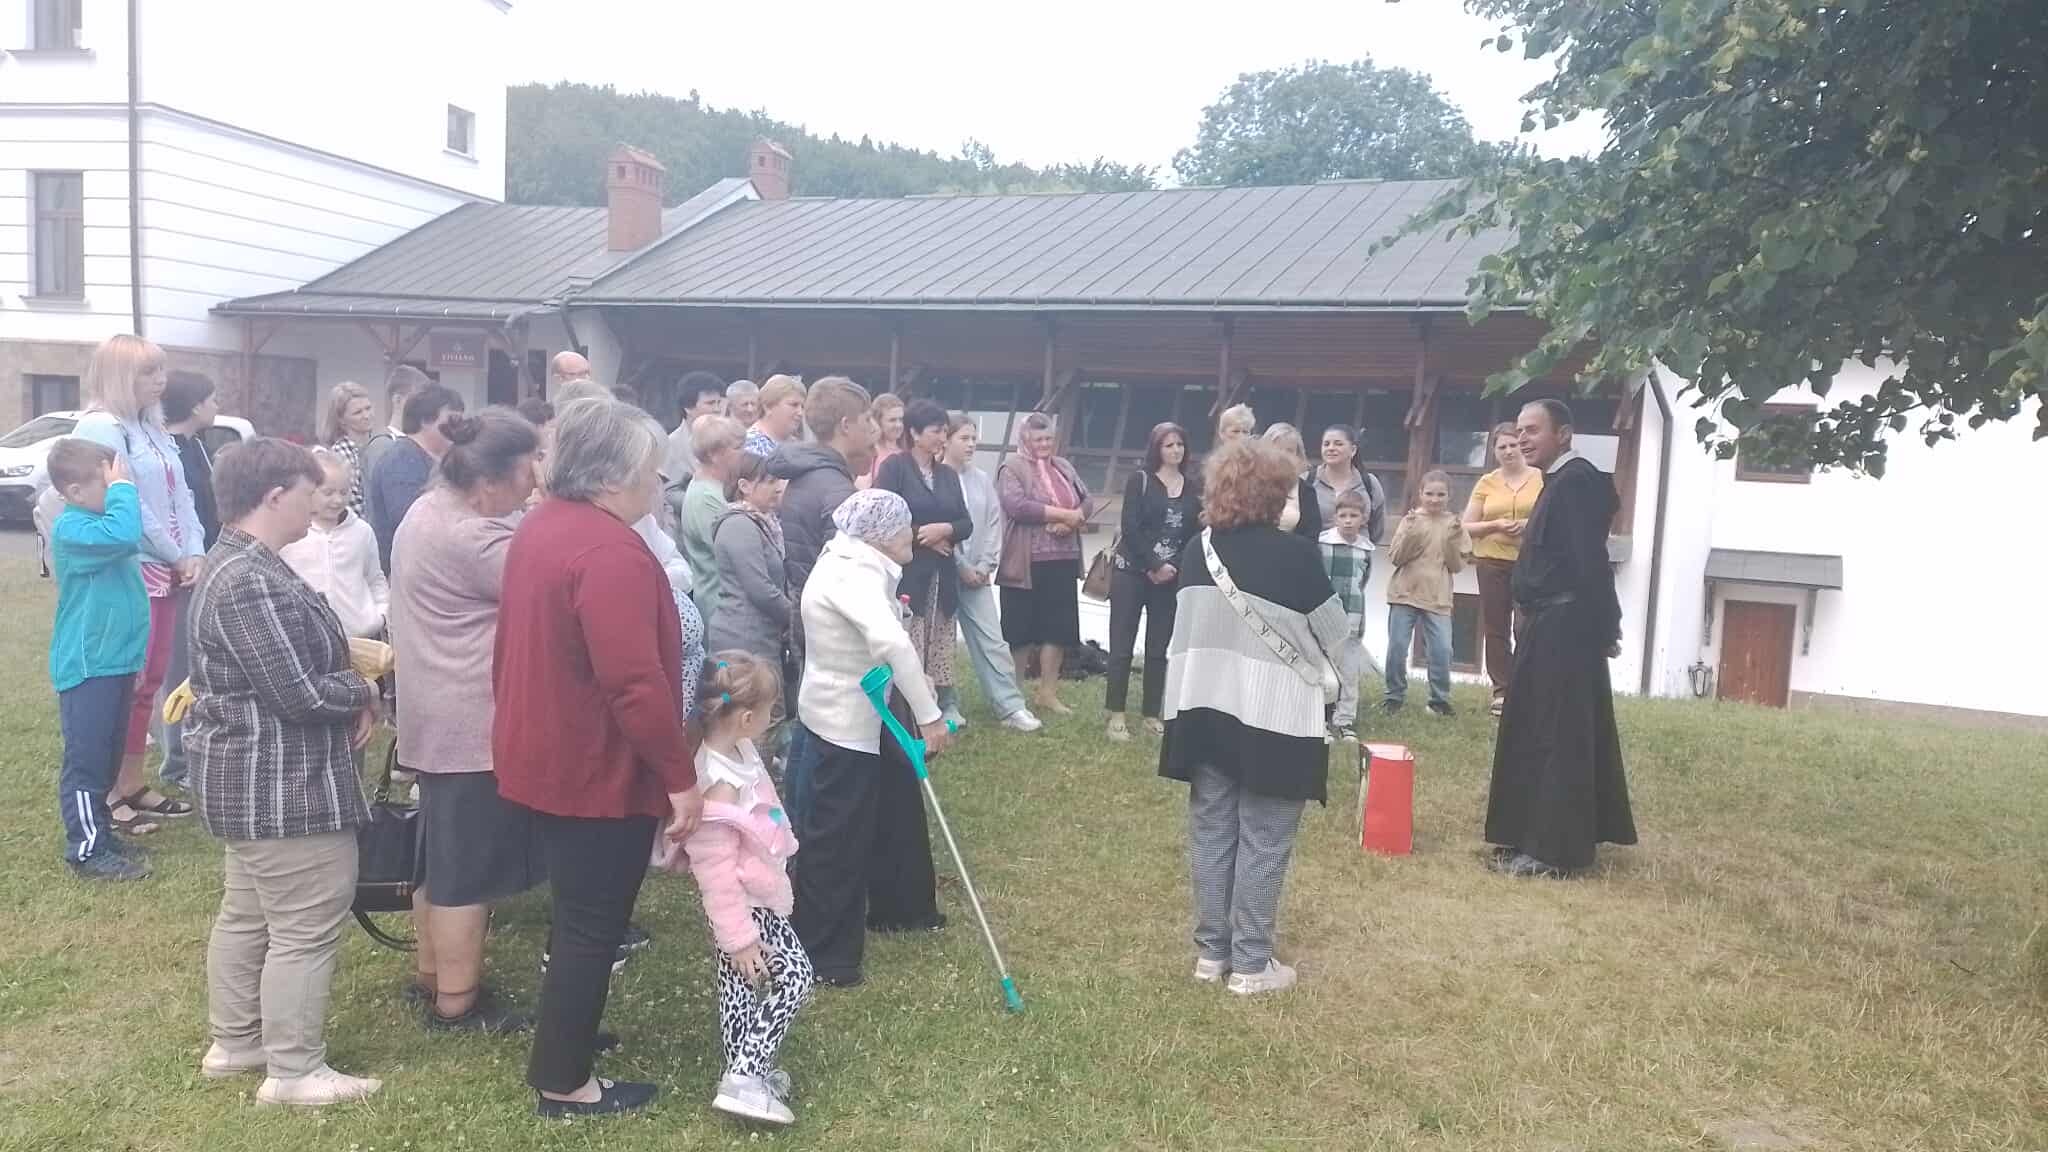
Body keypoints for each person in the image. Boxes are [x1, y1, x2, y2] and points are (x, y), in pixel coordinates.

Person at [492, 397, 702, 1118]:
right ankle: (564, 1082)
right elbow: (634, 683)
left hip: (547, 747)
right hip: (592, 765)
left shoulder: (546, 524)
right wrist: (679, 778)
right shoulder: (609, 550)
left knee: (578, 915)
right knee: (592, 922)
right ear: (612, 477)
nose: (658, 484)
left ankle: (567, 1037)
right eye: (651, 472)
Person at [187, 437, 383, 1105]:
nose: (320, 503)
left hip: (254, 782)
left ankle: (238, 1042)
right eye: (309, 492)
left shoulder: (242, 563)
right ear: (274, 496)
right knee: (305, 924)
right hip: (280, 786)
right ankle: (295, 1070)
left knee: (247, 915)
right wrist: (364, 689)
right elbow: (297, 694)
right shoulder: (249, 580)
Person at [1158, 440, 1348, 996]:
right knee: (1264, 839)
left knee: (1213, 833)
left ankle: (1211, 954)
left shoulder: (1197, 549)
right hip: (1275, 714)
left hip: (1203, 707)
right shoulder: (1297, 556)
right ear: (1272, 495)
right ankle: (1251, 963)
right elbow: (1335, 634)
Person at [388, 409, 546, 1033]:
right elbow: (550, 578)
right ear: (487, 483)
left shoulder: (427, 511)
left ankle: (433, 977)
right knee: (465, 874)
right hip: (470, 725)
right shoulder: (475, 541)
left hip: (435, 715)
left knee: (439, 859)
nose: (532, 488)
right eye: (526, 474)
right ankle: (457, 1003)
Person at [790, 489, 950, 987]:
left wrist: (917, 690)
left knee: (894, 808)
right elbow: (891, 643)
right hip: (843, 721)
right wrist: (930, 717)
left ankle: (902, 907)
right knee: (837, 838)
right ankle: (824, 955)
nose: (911, 534)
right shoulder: (853, 574)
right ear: (879, 533)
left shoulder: (857, 561)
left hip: (868, 709)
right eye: (903, 526)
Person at [1484, 399, 1636, 878]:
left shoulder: (1577, 483)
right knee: (1532, 729)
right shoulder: (1558, 481)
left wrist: (1606, 626)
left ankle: (1554, 851)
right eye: (1519, 430)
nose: (1522, 438)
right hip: (1545, 624)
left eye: (1533, 430)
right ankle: (1526, 834)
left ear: (1564, 434)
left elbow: (1589, 561)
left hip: (1566, 627)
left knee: (1558, 735)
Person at [672, 653, 813, 1127]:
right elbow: (714, 872)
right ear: (747, 718)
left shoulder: (740, 751)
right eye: (771, 711)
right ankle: (746, 1076)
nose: (774, 719)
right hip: (747, 907)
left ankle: (743, 1071)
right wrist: (739, 939)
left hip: (754, 895)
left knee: (739, 988)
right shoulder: (719, 788)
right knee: (795, 978)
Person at [73, 334, 199, 834]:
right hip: (130, 567)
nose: (160, 380)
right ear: (121, 376)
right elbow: (124, 501)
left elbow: (182, 493)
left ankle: (131, 782)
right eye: (148, 372)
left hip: (165, 567)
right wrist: (175, 552)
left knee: (148, 681)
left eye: (161, 369)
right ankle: (106, 792)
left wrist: (194, 549)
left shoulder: (152, 425)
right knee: (125, 680)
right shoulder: (102, 426)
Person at [769, 376, 877, 826]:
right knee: (827, 733)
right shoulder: (835, 491)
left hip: (806, 611)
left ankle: (797, 822)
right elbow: (848, 577)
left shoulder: (809, 475)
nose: (874, 429)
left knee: (810, 721)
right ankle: (812, 826)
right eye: (868, 419)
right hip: (830, 623)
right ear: (846, 425)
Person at [47, 438, 151, 881]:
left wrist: (134, 657)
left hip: (115, 662)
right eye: (108, 484)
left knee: (108, 757)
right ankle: (86, 850)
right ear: (75, 492)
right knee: (87, 761)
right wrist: (124, 491)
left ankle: (101, 833)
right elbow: (125, 533)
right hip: (88, 666)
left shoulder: (100, 525)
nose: (118, 490)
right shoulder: (74, 530)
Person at [877, 399, 972, 729]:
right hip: (909, 572)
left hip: (941, 574)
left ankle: (942, 702)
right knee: (909, 637)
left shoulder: (947, 475)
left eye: (945, 431)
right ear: (915, 433)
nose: (942, 437)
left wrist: (945, 530)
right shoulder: (895, 468)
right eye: (935, 431)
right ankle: (907, 707)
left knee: (939, 635)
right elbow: (884, 516)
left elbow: (965, 522)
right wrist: (923, 535)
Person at [943, 415, 1041, 732]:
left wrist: (985, 564)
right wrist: (961, 565)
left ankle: (1010, 706)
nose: (971, 444)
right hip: (944, 572)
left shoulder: (982, 479)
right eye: (964, 438)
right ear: (946, 439)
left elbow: (993, 523)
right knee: (941, 644)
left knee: (993, 641)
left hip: (979, 575)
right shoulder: (935, 478)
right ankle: (946, 705)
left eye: (974, 438)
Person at [1105, 422, 1199, 742]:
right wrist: (1154, 564)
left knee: (1158, 648)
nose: (1175, 450)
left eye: (1179, 444)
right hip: (1132, 571)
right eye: (1168, 445)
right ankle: (1116, 713)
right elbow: (1130, 526)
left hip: (1170, 576)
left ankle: (1150, 713)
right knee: (1122, 646)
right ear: (1156, 449)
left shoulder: (1191, 486)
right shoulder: (1140, 479)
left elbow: (1192, 533)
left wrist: (1172, 566)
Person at [997, 412, 1092, 717]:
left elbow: (1086, 500)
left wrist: (1073, 520)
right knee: (1020, 631)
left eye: (1048, 438)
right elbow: (1017, 506)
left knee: (1058, 629)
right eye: (1038, 439)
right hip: (1024, 563)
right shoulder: (1011, 467)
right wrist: (1063, 514)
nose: (1044, 444)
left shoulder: (1063, 466)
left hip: (1062, 560)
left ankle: (1047, 693)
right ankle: (1013, 696)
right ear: (1025, 439)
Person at [156, 369, 223, 791]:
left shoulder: (197, 445)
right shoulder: (168, 452)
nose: (217, 406)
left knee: (199, 660)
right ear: (196, 405)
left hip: (206, 563)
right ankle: (176, 761)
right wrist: (182, 558)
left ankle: (196, 746)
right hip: (180, 571)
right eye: (213, 399)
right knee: (178, 665)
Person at [1464, 422, 1543, 717]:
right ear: (1494, 451)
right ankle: (1502, 691)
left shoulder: (1541, 477)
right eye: (1502, 447)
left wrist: (1527, 525)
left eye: (1513, 445)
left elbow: (1552, 517)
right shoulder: (1487, 483)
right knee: (1495, 627)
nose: (1509, 451)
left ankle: (1528, 687)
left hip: (1529, 562)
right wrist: (1495, 525)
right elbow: (1466, 526)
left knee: (1526, 626)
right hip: (1491, 561)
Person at [1383, 470, 1469, 717]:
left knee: (1442, 650)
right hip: (1404, 593)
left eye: (1440, 494)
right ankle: (1394, 696)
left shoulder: (1455, 525)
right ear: (1420, 494)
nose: (1434, 499)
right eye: (1429, 493)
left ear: (1449, 496)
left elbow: (1456, 565)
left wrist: (1451, 539)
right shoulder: (1410, 520)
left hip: (1438, 596)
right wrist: (1411, 534)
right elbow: (1396, 557)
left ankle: (1439, 700)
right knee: (1397, 647)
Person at [279, 450, 388, 642]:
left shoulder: (362, 531)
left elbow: (375, 578)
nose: (337, 500)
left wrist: (381, 615)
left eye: (344, 492)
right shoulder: (291, 533)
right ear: (309, 491)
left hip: (362, 638)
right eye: (328, 493)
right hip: (311, 641)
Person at [366, 382, 464, 574]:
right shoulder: (401, 460)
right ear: (426, 420)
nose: (458, 429)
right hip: (407, 571)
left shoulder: (433, 458)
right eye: (452, 421)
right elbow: (411, 521)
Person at [709, 452, 792, 664]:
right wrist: (799, 617)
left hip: (760, 636)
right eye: (770, 482)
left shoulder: (761, 522)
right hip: (744, 642)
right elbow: (760, 590)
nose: (778, 488)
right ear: (744, 486)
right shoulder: (739, 525)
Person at [1319, 489, 1375, 740]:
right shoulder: (1322, 544)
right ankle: (1320, 719)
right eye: (1343, 515)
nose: (1348, 521)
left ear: (1363, 519)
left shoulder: (1366, 549)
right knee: (1323, 671)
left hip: (1352, 617)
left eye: (1354, 516)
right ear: (1335, 517)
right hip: (1325, 618)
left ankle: (1344, 721)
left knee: (1349, 673)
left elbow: (1363, 581)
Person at [682, 416, 747, 626]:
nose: (745, 453)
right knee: (725, 653)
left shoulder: (720, 487)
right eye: (737, 447)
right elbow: (734, 553)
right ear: (714, 454)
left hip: (732, 605)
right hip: (720, 608)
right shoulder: (705, 498)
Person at [663, 371, 728, 532]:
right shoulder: (672, 444)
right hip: (689, 529)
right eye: (710, 403)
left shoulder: (728, 439)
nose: (717, 409)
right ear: (688, 407)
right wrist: (703, 503)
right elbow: (669, 493)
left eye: (719, 403)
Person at [359, 366, 428, 507]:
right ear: (398, 400)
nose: (425, 406)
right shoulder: (383, 445)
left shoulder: (417, 443)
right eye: (419, 400)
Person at [1310, 424, 1387, 543]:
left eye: (1338, 444)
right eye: (1326, 444)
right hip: (1315, 551)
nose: (1331, 448)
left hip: (1358, 552)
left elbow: (1377, 528)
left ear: (1353, 450)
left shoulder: (1369, 483)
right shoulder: (1307, 480)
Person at [1260, 423, 1323, 540]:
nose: (1283, 455)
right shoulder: (1248, 483)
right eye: (1277, 449)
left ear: (1297, 456)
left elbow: (1311, 536)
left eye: (1289, 450)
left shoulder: (1306, 491)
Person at [324, 381, 377, 516]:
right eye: (358, 412)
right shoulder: (341, 455)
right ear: (341, 420)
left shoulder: (378, 445)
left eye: (368, 408)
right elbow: (353, 506)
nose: (366, 416)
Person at [746, 375, 806, 457]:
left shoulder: (798, 446)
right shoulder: (751, 446)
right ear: (768, 406)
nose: (800, 413)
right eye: (794, 405)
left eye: (802, 407)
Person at [860, 393, 905, 489]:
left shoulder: (909, 453)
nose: (898, 425)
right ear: (877, 421)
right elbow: (862, 491)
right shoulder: (868, 453)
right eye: (892, 420)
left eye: (901, 419)